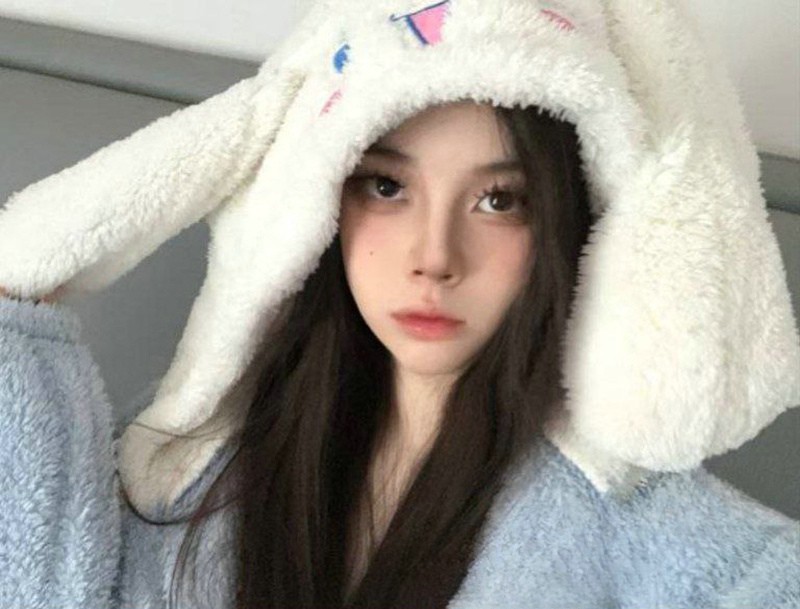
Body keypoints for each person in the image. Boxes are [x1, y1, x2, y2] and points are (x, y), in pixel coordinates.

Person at [0, 1, 798, 608]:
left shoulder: (646, 526)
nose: (434, 258)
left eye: (499, 200)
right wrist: (20, 284)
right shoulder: (189, 465)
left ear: (567, 225)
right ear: (320, 202)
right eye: (386, 186)